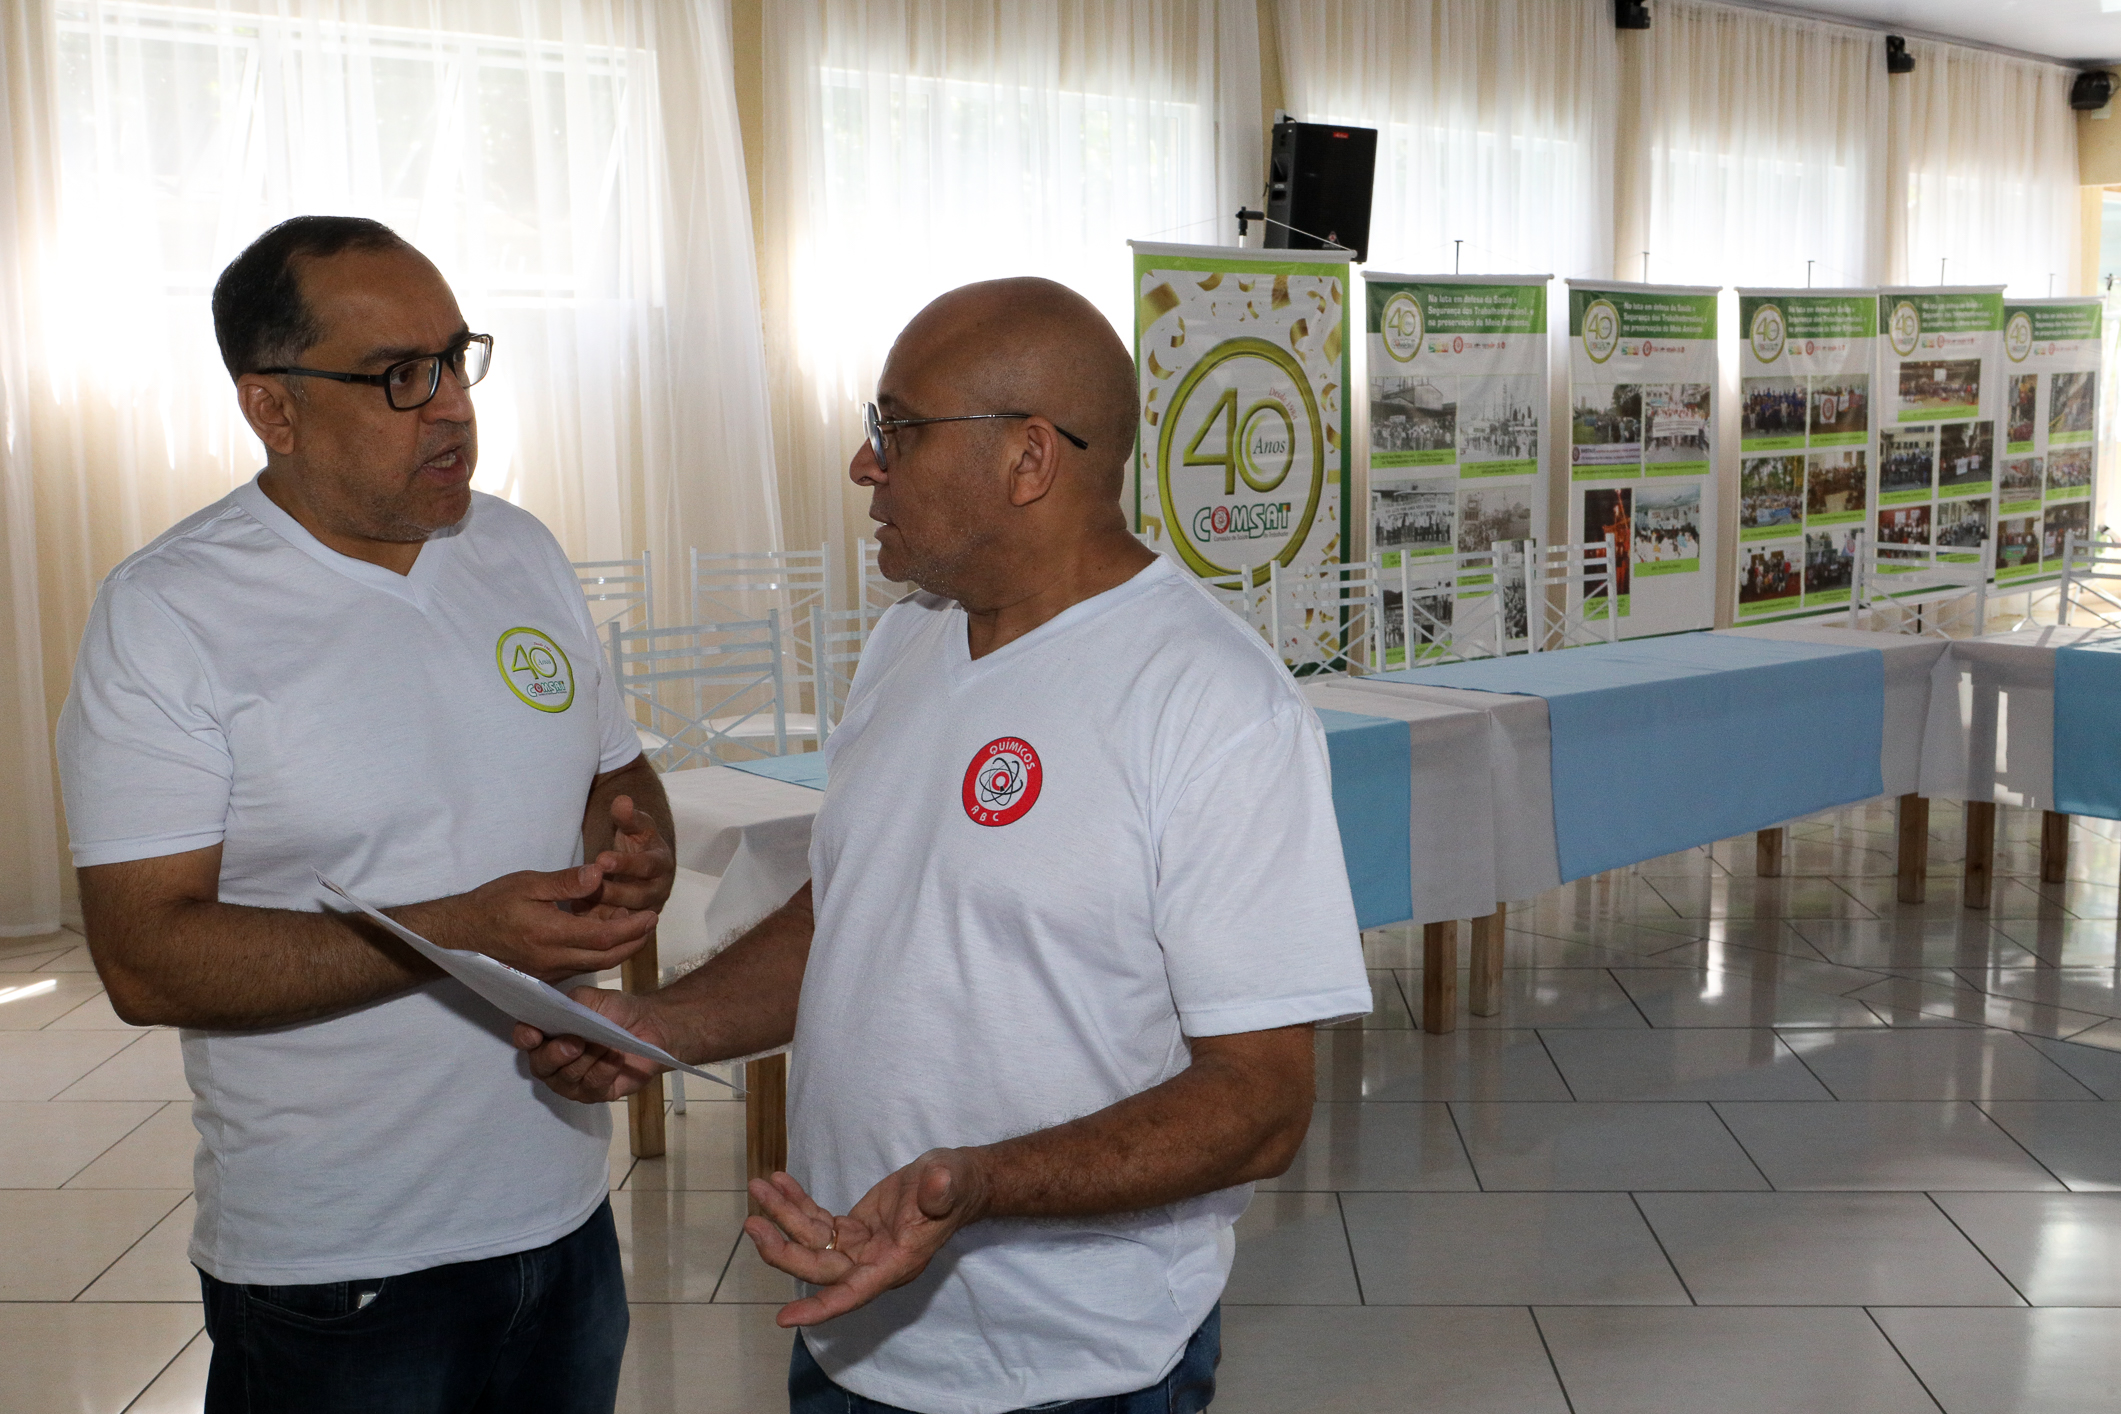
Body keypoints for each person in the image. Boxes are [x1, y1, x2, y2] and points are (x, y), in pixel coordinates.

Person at [518, 277, 1370, 1414]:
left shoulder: (1210, 703)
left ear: (1029, 460)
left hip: (1074, 1371)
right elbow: (850, 910)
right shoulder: (910, 638)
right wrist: (665, 1023)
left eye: (896, 429)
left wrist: (980, 1185)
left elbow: (1263, 1101)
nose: (866, 466)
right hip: (849, 1329)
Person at [56, 215, 671, 1413]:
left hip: (566, 1219)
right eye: (400, 376)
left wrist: (632, 848)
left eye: (456, 357)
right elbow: (146, 955)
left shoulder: (518, 549)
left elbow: (615, 774)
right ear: (270, 409)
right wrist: (466, 927)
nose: (450, 406)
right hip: (341, 1269)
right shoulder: (170, 615)